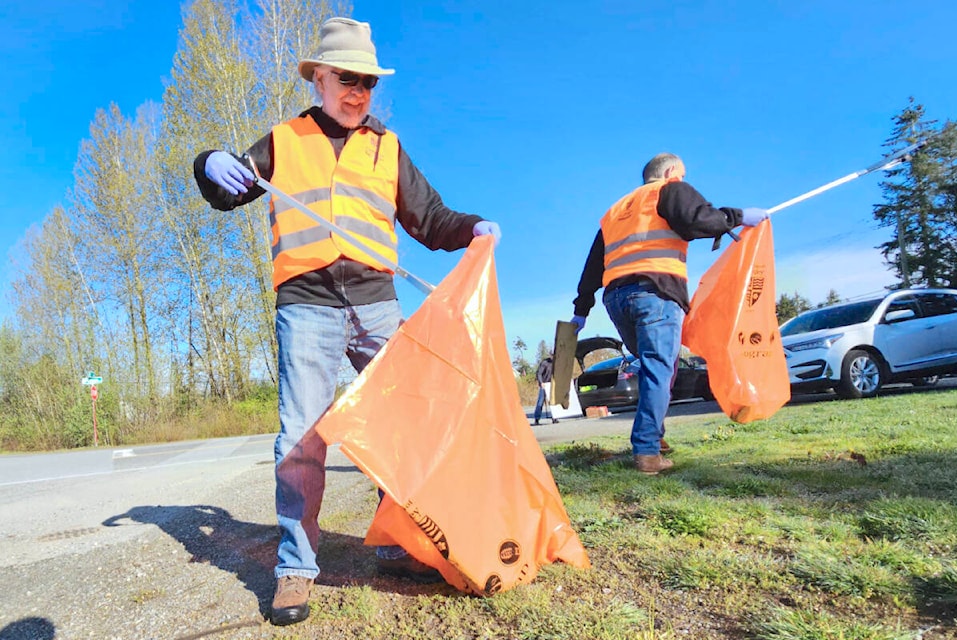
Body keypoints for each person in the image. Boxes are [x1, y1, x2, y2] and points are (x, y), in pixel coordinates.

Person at [192, 17, 501, 627]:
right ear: (320, 79)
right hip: (306, 302)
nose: (358, 91)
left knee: (401, 427)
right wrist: (208, 164)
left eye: (368, 81)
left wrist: (473, 229)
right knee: (304, 437)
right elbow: (231, 190)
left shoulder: (387, 147)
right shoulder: (284, 139)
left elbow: (431, 218)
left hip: (376, 301)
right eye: (347, 79)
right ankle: (296, 569)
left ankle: (399, 541)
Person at [569, 153, 766, 476]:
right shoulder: (671, 189)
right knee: (659, 368)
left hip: (617, 299)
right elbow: (699, 219)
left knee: (660, 366)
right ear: (672, 172)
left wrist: (581, 309)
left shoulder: (615, 211)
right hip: (655, 293)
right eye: (683, 174)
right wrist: (740, 216)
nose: (685, 180)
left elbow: (592, 265)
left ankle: (654, 436)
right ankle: (646, 451)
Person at [533, 355, 559, 425]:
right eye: (553, 355)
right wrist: (541, 383)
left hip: (552, 384)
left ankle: (555, 418)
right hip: (544, 385)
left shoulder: (556, 363)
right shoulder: (545, 363)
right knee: (540, 402)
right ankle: (536, 419)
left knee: (553, 401)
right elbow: (539, 374)